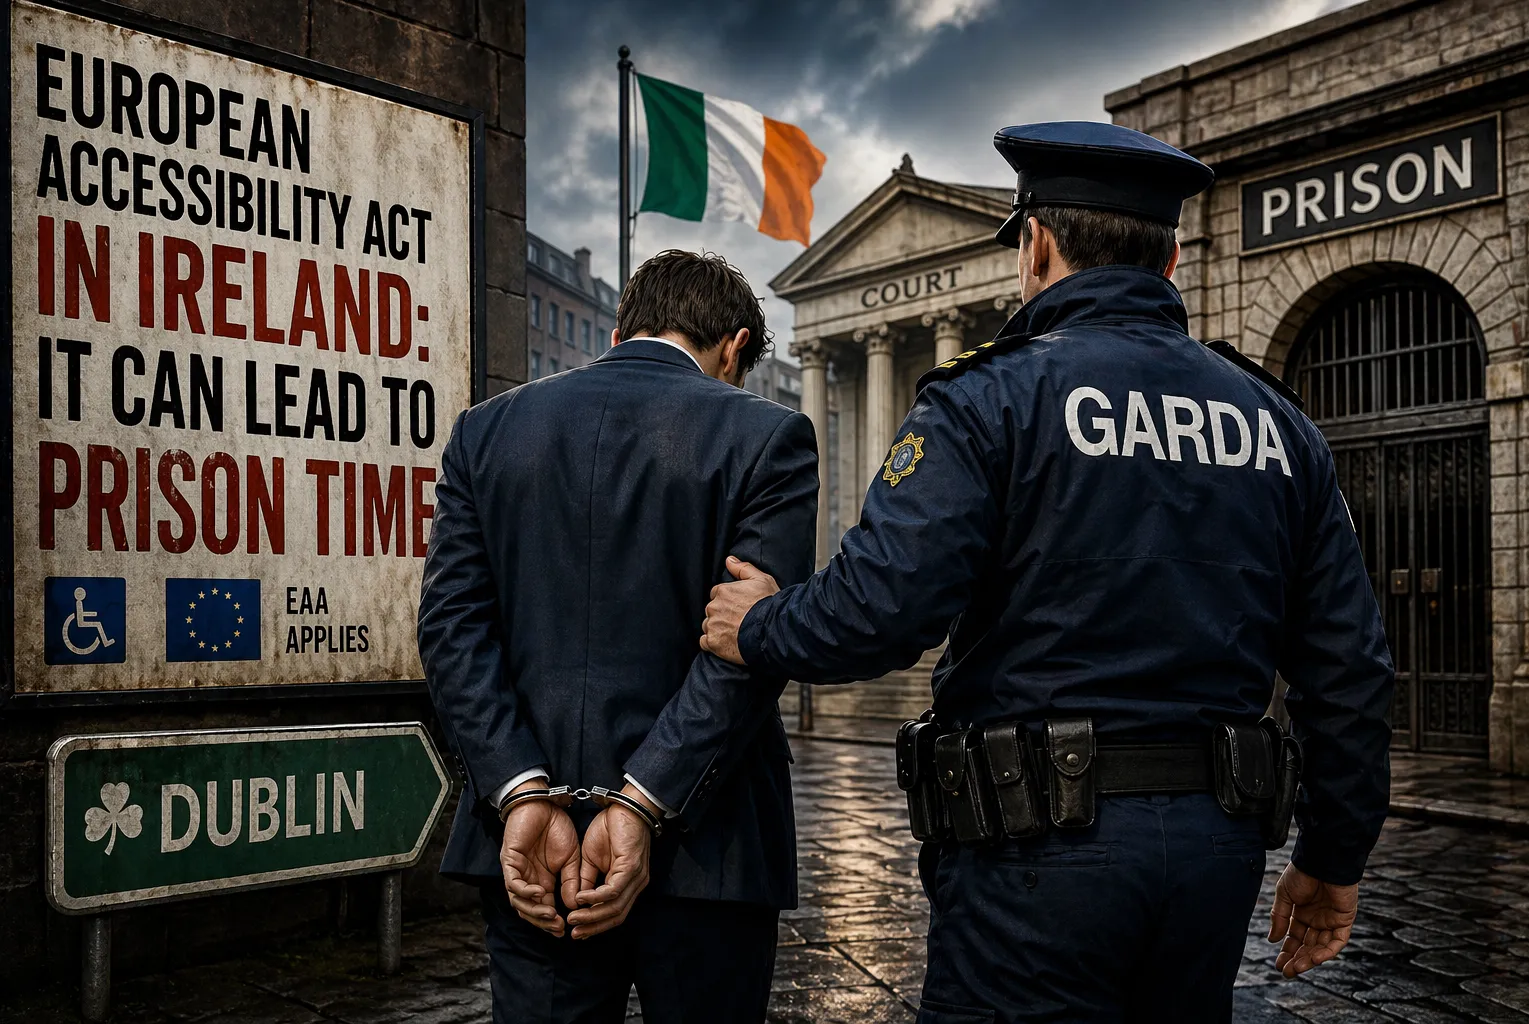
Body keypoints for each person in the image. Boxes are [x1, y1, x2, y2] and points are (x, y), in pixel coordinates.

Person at [698, 122, 1394, 1021]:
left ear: (1036, 243)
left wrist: (758, 623)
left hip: (1033, 852)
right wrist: (1336, 854)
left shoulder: (988, 396)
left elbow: (879, 612)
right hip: (1214, 851)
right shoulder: (1274, 421)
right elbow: (1351, 666)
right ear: (1171, 259)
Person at [419, 250, 817, 1024]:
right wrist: (642, 800)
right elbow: (749, 645)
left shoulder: (486, 432)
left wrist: (519, 788)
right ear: (734, 348)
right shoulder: (768, 436)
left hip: (534, 846)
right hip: (713, 846)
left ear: (618, 329)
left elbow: (450, 628)